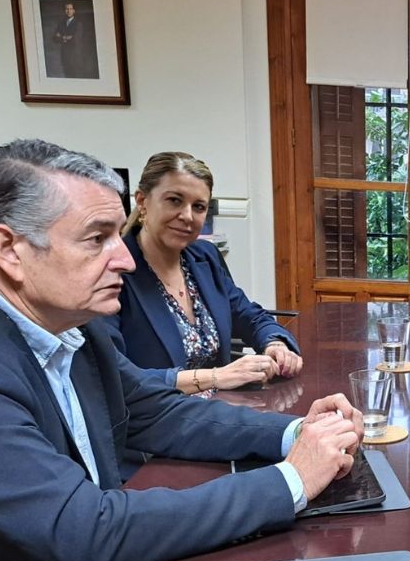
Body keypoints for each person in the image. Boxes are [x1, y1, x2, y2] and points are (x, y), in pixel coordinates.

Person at [0, 139, 361, 561]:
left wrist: (298, 432)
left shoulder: (64, 315)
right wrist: (293, 480)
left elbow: (156, 412)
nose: (124, 260)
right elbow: (86, 529)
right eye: (97, 239)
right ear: (9, 249)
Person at [102, 151, 303, 393]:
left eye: (198, 207)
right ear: (142, 201)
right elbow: (114, 375)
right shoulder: (114, 270)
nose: (187, 216)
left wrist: (275, 344)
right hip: (157, 418)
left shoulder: (204, 257)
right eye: (174, 200)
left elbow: (250, 316)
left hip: (222, 411)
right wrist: (215, 377)